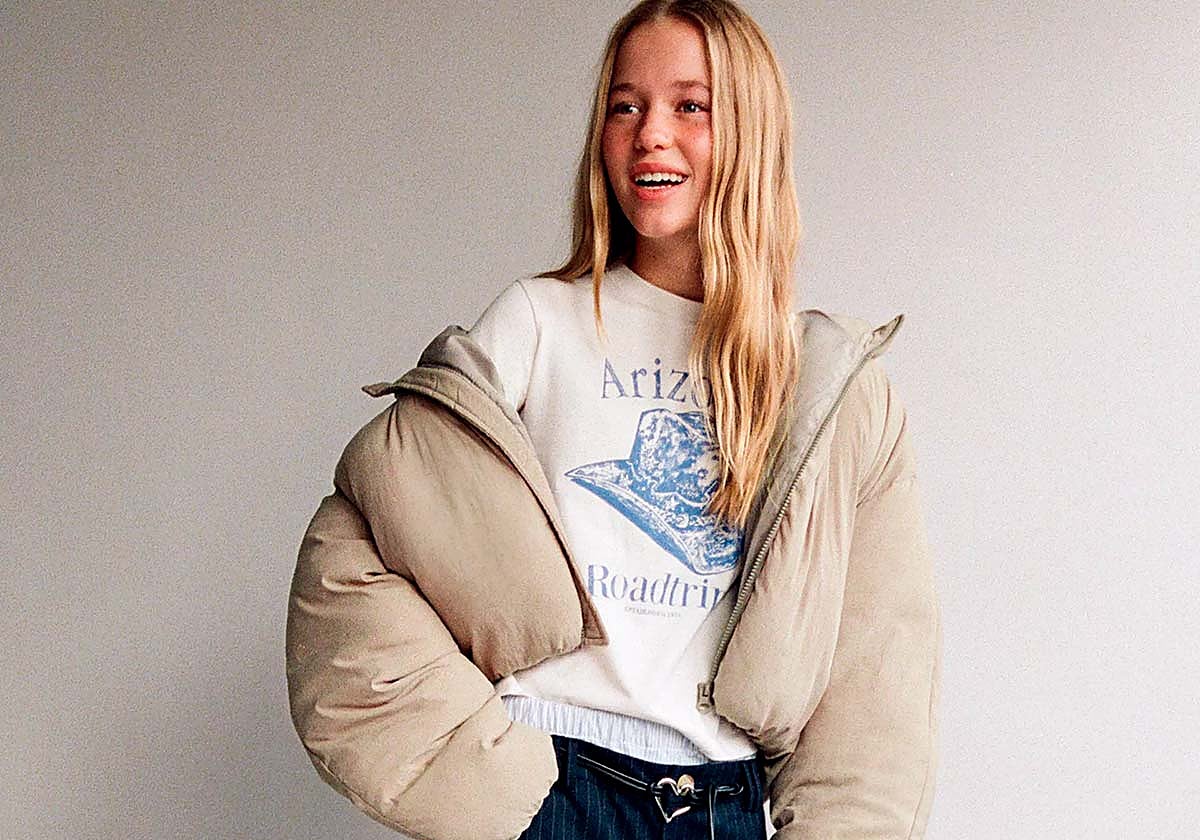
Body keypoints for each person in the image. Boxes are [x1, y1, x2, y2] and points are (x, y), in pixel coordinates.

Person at [286, 2, 941, 839]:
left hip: (719, 804)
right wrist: (497, 790)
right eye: (625, 106)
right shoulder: (538, 322)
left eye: (690, 105)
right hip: (546, 779)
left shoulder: (822, 384)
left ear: (752, 130)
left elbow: (874, 676)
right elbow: (353, 552)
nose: (650, 135)